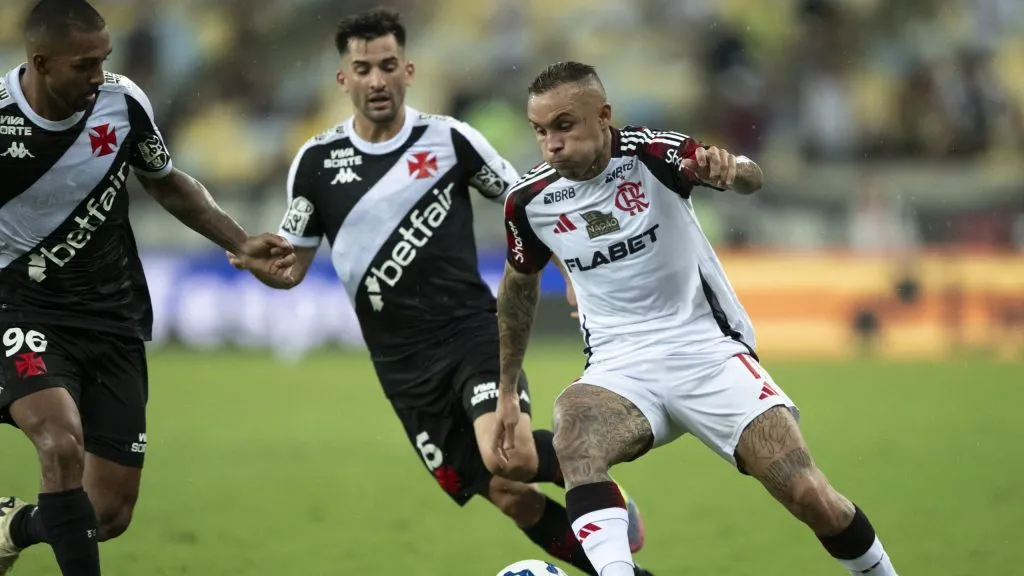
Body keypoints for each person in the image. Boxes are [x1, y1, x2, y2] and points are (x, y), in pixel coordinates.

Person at [230, 9, 649, 575]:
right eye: (362, 68)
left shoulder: (449, 140)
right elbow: (292, 268)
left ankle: (596, 485)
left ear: (408, 70)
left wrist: (572, 274)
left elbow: (527, 206)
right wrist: (259, 263)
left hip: (472, 333)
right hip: (401, 367)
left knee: (514, 454)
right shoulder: (315, 164)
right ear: (342, 79)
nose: (376, 80)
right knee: (508, 494)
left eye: (386, 66)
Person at [494, 61, 900, 576]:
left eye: (564, 125)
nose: (550, 144)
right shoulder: (528, 201)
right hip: (620, 368)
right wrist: (508, 388)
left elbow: (750, 177)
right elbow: (517, 289)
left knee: (808, 494)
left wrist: (732, 170)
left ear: (603, 116)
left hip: (708, 352)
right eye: (540, 130)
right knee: (574, 435)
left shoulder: (651, 153)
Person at [0, 2, 295, 575]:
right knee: (59, 444)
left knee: (106, 512)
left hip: (112, 317)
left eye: (104, 61)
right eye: (85, 65)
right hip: (22, 308)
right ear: (40, 62)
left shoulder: (123, 102)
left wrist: (239, 241)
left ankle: (13, 527)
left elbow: (167, 184)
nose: (98, 75)